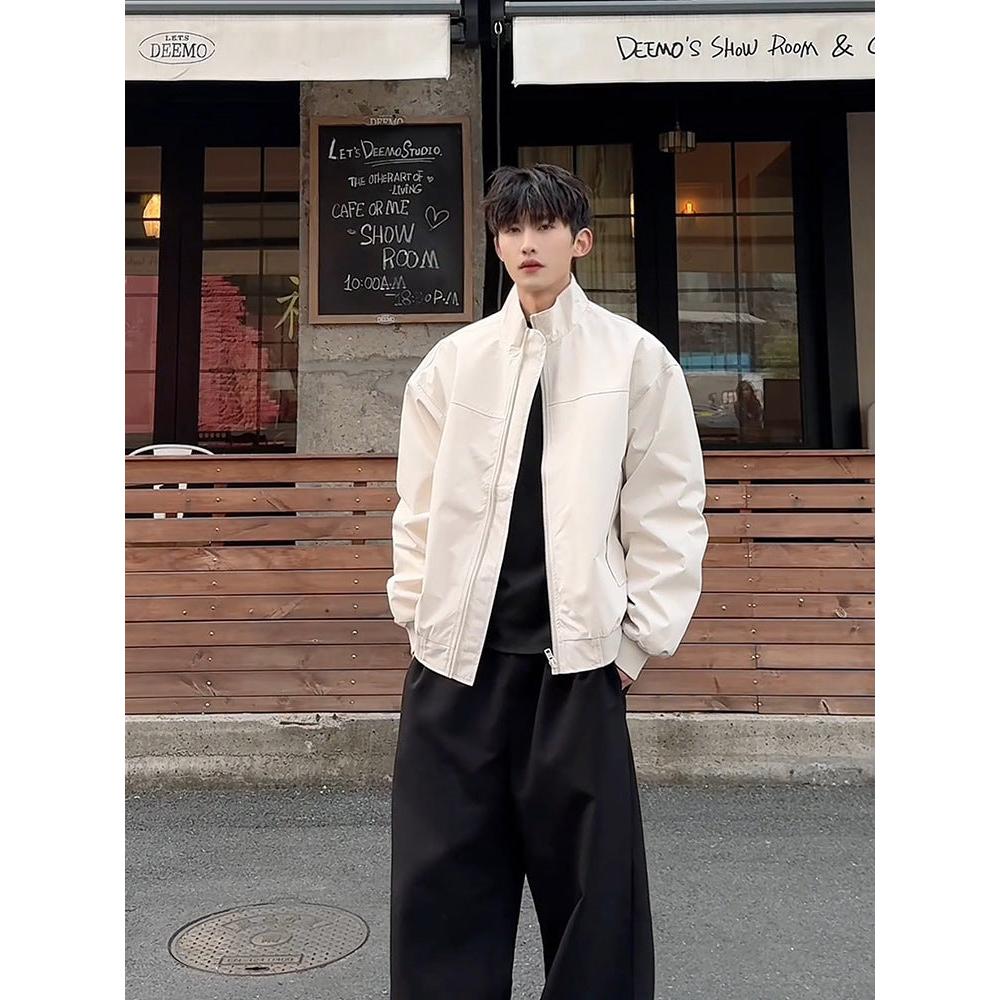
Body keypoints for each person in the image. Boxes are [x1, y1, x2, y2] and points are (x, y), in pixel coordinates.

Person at [387, 163, 709, 999]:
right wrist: (420, 618)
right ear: (496, 245)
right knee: (441, 889)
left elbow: (668, 509)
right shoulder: (452, 365)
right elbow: (416, 509)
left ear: (582, 241)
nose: (527, 242)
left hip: (578, 668)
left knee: (595, 898)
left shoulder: (635, 360)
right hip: (457, 668)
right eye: (511, 229)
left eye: (544, 226)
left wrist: (634, 645)